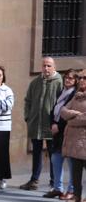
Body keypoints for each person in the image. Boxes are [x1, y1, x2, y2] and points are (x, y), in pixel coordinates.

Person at [21, 57, 63, 190]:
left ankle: (53, 182)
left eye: (49, 66)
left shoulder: (59, 82)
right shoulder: (35, 82)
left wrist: (57, 122)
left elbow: (62, 103)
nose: (46, 68)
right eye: (44, 65)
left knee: (53, 154)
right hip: (35, 123)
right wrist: (28, 117)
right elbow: (27, 100)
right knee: (36, 152)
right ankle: (34, 180)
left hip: (51, 125)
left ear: (54, 67)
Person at [44, 69, 78, 200]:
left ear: (75, 81)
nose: (68, 80)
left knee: (70, 162)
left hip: (67, 132)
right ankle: (58, 188)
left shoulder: (75, 94)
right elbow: (55, 109)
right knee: (55, 159)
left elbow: (69, 113)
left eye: (71, 78)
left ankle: (71, 189)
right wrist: (53, 123)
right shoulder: (62, 92)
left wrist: (59, 126)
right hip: (56, 132)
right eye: (66, 77)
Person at [60, 70, 86, 202]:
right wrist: (75, 114)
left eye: (85, 78)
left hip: (84, 140)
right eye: (80, 78)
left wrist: (71, 120)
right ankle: (76, 196)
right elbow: (63, 111)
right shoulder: (76, 96)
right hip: (74, 141)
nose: (82, 80)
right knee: (75, 171)